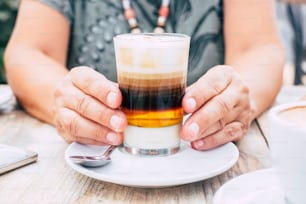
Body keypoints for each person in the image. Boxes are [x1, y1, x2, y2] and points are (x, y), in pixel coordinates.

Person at [4, 0, 285, 150]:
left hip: (198, 151)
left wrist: (234, 99)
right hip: (96, 157)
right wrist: (67, 101)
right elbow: (28, 52)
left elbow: (258, 49)